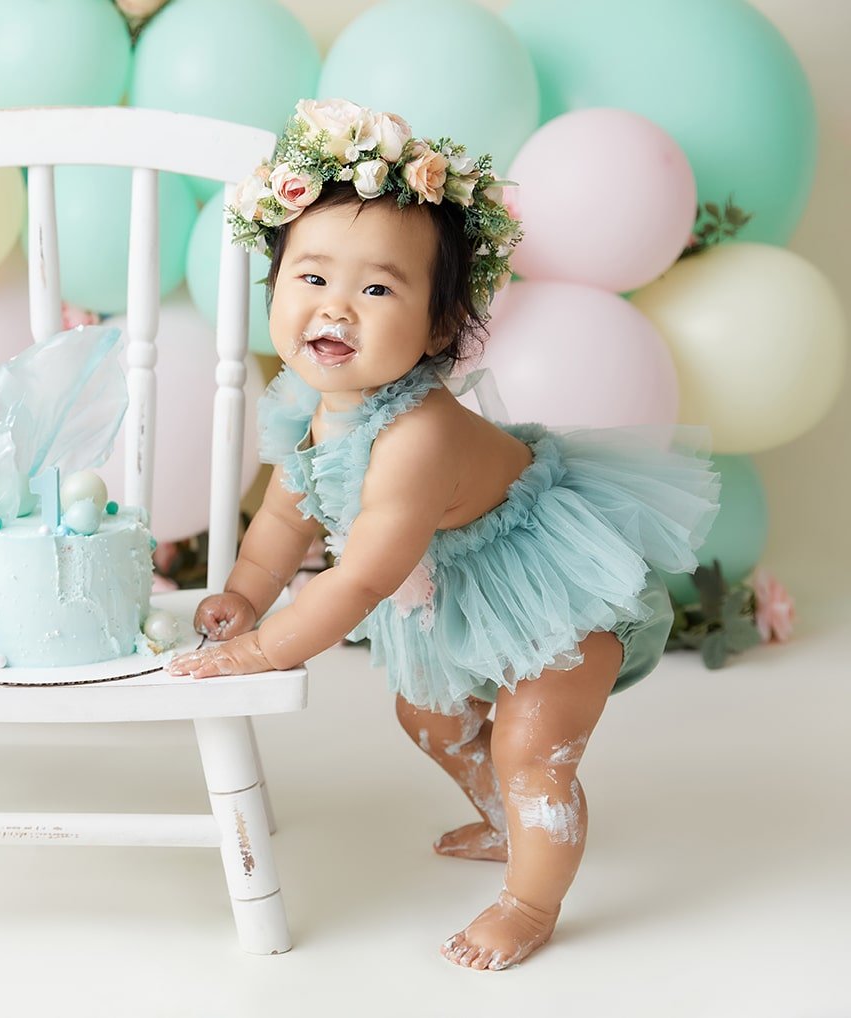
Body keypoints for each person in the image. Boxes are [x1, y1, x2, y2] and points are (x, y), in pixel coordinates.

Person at [166, 98, 719, 971]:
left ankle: (531, 899)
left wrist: (267, 650)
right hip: (458, 580)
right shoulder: (308, 406)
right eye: (311, 279)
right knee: (424, 713)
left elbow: (359, 580)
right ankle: (503, 818)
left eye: (376, 288)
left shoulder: (414, 438)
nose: (336, 309)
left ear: (435, 328)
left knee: (530, 750)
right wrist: (245, 592)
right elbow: (282, 517)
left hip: (550, 583)